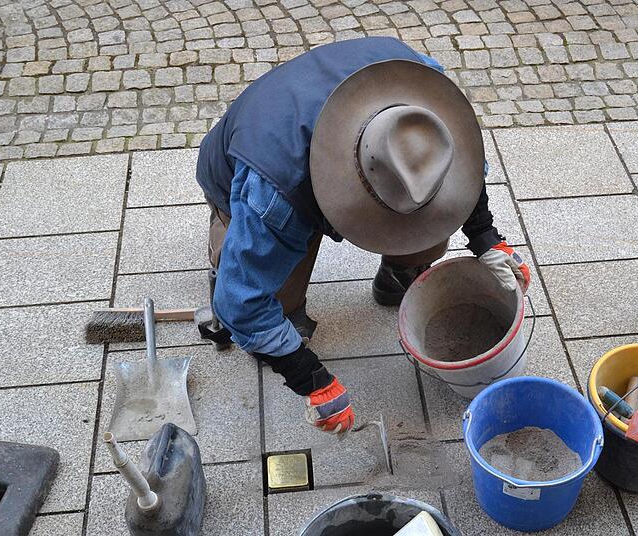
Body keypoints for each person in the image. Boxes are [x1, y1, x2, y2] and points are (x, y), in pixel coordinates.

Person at [195, 36, 530, 436]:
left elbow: (463, 172)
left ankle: (394, 280)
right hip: (244, 177)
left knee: (431, 233)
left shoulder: (423, 98)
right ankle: (225, 250)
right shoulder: (276, 192)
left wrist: (486, 239)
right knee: (273, 302)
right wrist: (312, 381)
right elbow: (242, 304)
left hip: (300, 164)